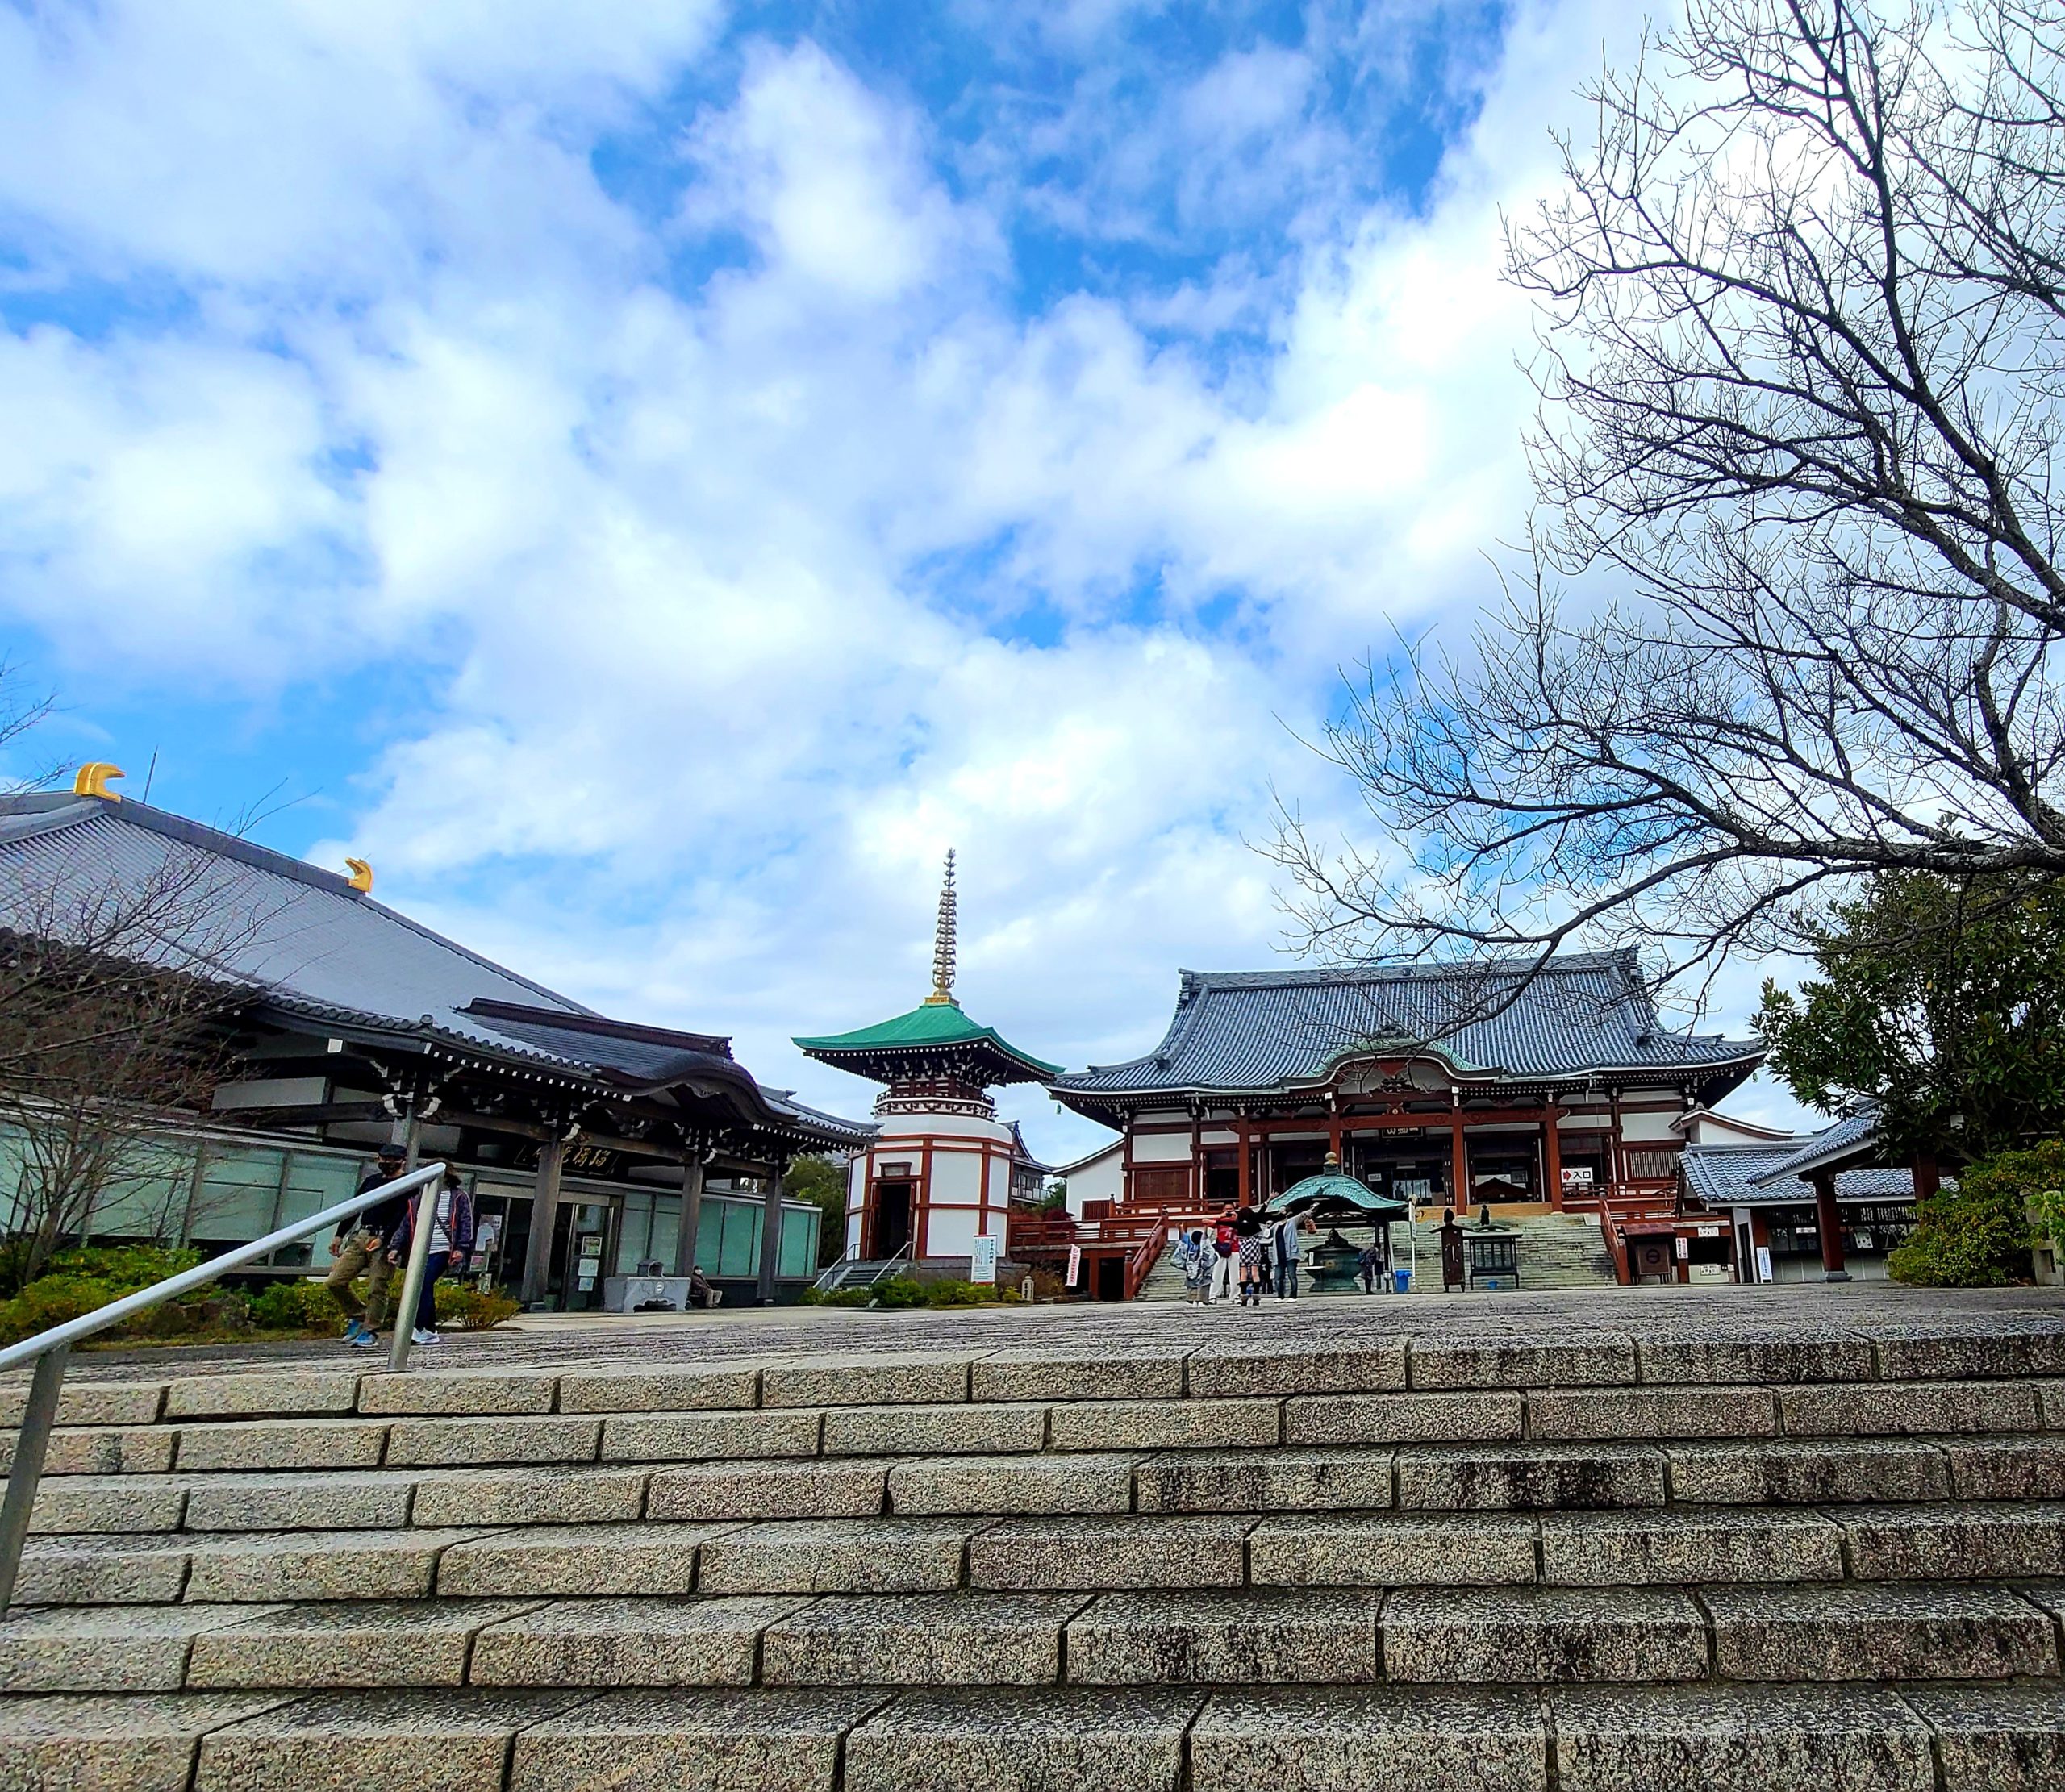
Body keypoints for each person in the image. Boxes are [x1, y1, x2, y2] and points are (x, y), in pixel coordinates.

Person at [327, 1144, 409, 1348]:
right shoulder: (371, 1181)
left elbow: (402, 1215)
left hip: (385, 1239)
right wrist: (339, 1234)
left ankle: (370, 1330)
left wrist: (386, 1239)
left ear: (402, 1161)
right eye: (384, 1159)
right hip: (361, 1234)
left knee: (377, 1286)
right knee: (335, 1281)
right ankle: (357, 1314)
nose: (388, 1164)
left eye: (393, 1160)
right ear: (377, 1159)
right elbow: (355, 1207)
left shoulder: (408, 1183)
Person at [386, 1168, 473, 1347]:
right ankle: (428, 1329)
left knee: (423, 1283)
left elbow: (465, 1223)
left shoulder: (458, 1197)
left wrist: (460, 1248)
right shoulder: (419, 1199)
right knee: (421, 1287)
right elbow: (406, 1224)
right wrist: (395, 1247)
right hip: (420, 1250)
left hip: (442, 1249)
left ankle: (421, 1327)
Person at [1233, 1202, 1266, 1306]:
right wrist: (1269, 1199)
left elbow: (1226, 1222)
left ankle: (1244, 1296)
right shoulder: (1254, 1221)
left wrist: (1214, 1221)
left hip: (1243, 1246)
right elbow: (1262, 1211)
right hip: (1254, 1245)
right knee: (1255, 1273)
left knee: (1243, 1273)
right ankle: (1256, 1296)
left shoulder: (1239, 1224)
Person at [1210, 1206, 1239, 1306]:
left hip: (1234, 1248)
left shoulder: (1237, 1220)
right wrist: (1220, 1217)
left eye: (1231, 1209)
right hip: (1221, 1249)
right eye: (1227, 1210)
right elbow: (1208, 1222)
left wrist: (1236, 1217)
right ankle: (1213, 1296)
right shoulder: (1220, 1221)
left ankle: (1235, 1296)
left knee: (1235, 1275)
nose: (1229, 1211)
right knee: (1217, 1273)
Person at [1275, 1212, 1307, 1300]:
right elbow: (1267, 1235)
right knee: (1278, 1277)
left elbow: (1301, 1215)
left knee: (1292, 1275)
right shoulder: (1275, 1226)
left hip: (1291, 1254)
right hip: (1278, 1254)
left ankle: (1293, 1295)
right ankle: (1280, 1296)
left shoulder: (1291, 1222)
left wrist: (1312, 1210)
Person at [1178, 1228, 1212, 1305]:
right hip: (1204, 1269)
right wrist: (1205, 1228)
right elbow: (1205, 1239)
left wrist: (1181, 1229)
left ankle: (1192, 1299)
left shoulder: (1190, 1248)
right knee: (1204, 1285)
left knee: (1192, 1284)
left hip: (1192, 1270)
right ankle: (1202, 1300)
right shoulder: (1204, 1247)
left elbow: (1184, 1239)